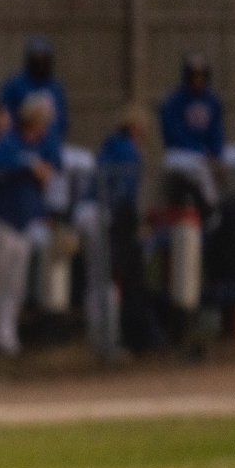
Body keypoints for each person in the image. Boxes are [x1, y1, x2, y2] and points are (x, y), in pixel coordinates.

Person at [0, 95, 58, 370]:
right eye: (41, 121)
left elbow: (53, 165)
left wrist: (42, 170)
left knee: (14, 285)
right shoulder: (10, 140)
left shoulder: (41, 143)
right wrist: (29, 166)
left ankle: (6, 337)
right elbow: (1, 162)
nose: (44, 126)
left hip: (24, 224)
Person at [98, 105, 160, 353]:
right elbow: (125, 194)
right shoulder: (129, 151)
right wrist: (136, 224)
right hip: (117, 219)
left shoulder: (109, 146)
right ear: (136, 129)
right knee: (116, 280)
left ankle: (107, 339)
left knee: (102, 281)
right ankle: (114, 340)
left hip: (99, 215)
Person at [159, 52, 226, 215]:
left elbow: (216, 132)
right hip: (181, 154)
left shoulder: (212, 102)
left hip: (204, 157)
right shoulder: (174, 102)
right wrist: (201, 152)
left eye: (201, 75)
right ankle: (211, 209)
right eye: (194, 75)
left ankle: (219, 212)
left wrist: (216, 153)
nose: (198, 80)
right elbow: (172, 134)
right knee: (200, 174)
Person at [0, 36, 69, 153]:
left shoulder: (55, 87)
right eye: (37, 60)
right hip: (22, 146)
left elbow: (62, 120)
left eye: (44, 60)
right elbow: (6, 118)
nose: (40, 65)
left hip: (51, 146)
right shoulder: (15, 85)